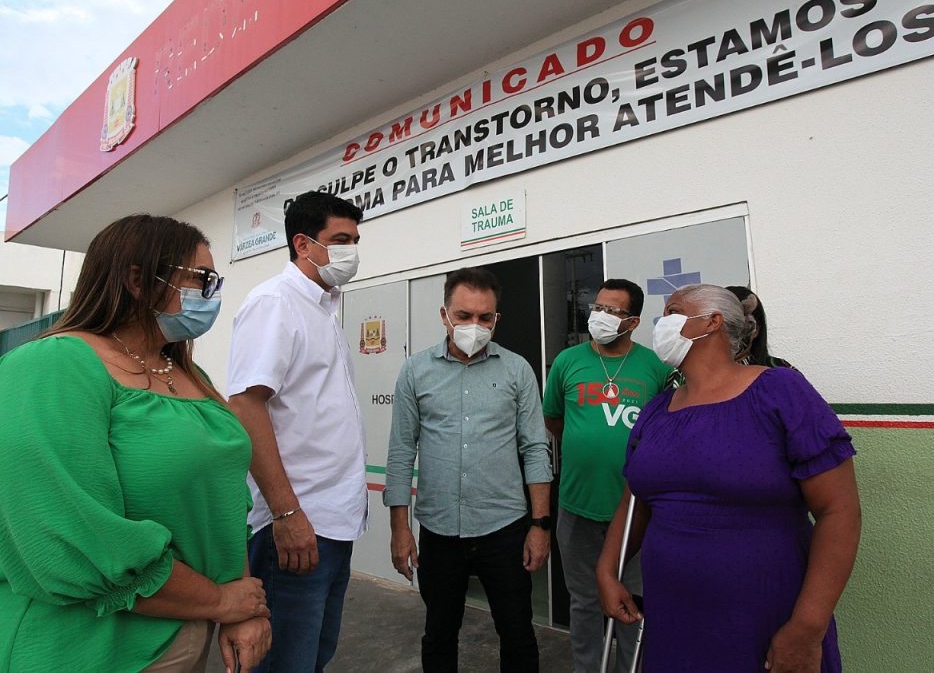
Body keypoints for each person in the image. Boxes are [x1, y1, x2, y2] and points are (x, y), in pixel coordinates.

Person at [0, 214, 270, 672]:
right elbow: (72, 534)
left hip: (189, 626)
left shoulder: (188, 373)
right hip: (88, 647)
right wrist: (220, 601)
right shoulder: (52, 364)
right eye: (200, 279)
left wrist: (242, 605)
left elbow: (225, 501)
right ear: (138, 280)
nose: (212, 295)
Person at [597, 283, 861, 672]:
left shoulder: (780, 391)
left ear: (712, 322)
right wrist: (607, 570)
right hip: (673, 618)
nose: (661, 324)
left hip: (763, 617)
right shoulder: (657, 410)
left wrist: (807, 628)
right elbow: (634, 500)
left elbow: (839, 511)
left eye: (673, 312)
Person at [385, 267, 553, 673]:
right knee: (439, 635)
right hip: (439, 530)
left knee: (517, 634)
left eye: (484, 317)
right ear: (444, 315)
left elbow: (535, 448)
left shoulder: (517, 370)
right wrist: (400, 529)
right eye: (464, 315)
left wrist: (540, 525)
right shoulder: (415, 371)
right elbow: (402, 451)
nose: (474, 325)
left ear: (497, 319)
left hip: (504, 529)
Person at [227, 191, 368, 672]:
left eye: (355, 240)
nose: (351, 251)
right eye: (341, 240)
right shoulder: (275, 303)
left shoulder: (323, 309)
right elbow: (246, 405)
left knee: (312, 657)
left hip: (332, 524)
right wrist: (287, 513)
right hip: (296, 526)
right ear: (303, 244)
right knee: (285, 662)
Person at [542, 278, 672, 672]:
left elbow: (665, 429)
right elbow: (555, 419)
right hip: (577, 506)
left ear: (632, 322)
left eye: (612, 310)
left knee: (633, 601)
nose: (600, 315)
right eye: (598, 307)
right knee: (583, 601)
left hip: (636, 512)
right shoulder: (567, 362)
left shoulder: (655, 367)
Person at [726, 285, 798, 370]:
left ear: (756, 330)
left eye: (743, 325)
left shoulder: (779, 370)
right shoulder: (711, 372)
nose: (733, 332)